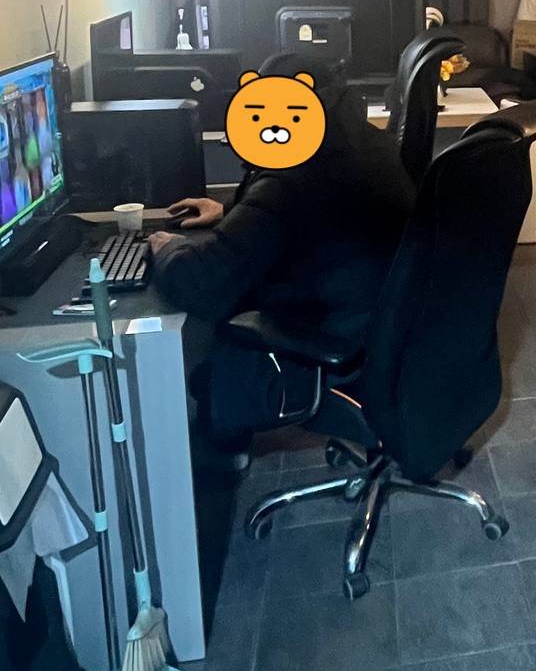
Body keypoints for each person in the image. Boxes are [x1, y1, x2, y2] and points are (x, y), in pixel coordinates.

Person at [149, 53, 415, 462]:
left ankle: (221, 459)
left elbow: (201, 284)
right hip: (386, 327)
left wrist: (166, 246)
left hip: (331, 343)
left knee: (209, 352)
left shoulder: (292, 174)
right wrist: (232, 210)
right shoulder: (364, 140)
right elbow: (310, 211)